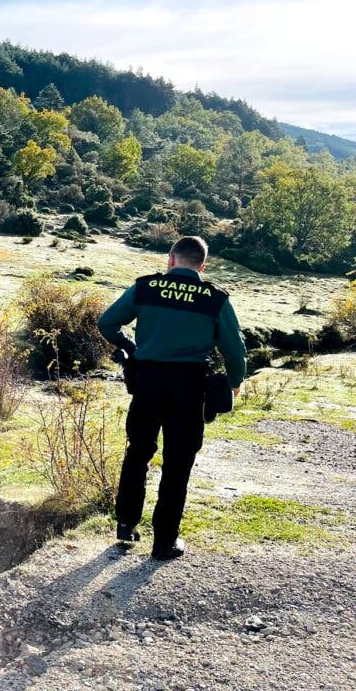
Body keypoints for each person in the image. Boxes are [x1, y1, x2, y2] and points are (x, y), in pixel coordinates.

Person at [97, 236, 246, 560]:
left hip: (147, 383)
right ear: (202, 266)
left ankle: (126, 524)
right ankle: (164, 542)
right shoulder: (214, 299)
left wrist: (132, 348)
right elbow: (234, 349)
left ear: (171, 259)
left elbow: (107, 322)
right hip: (189, 388)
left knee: (138, 452)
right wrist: (235, 381)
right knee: (178, 464)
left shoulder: (146, 288)